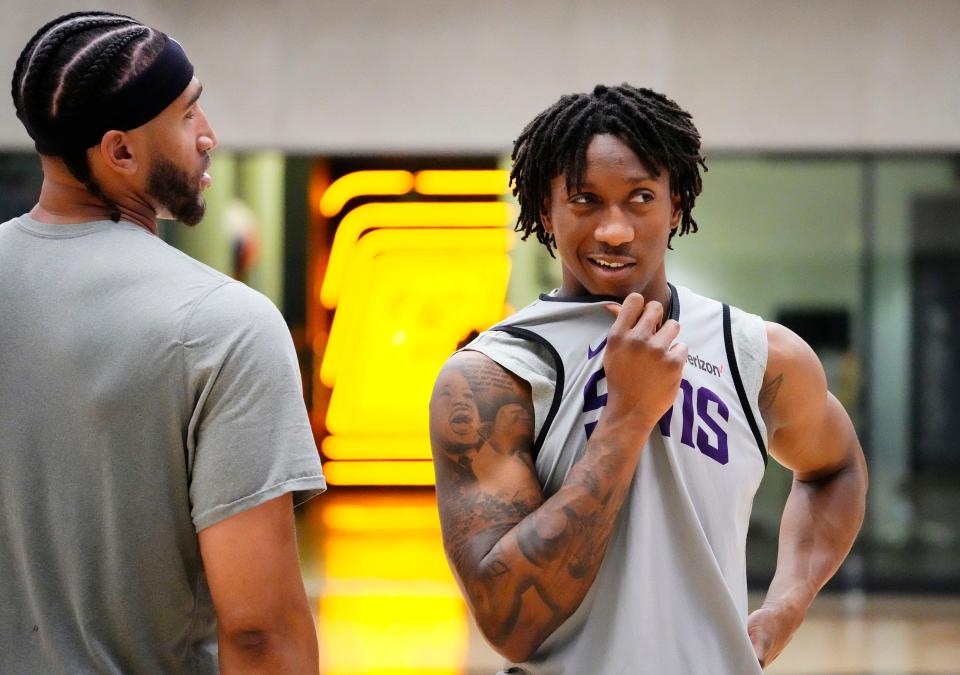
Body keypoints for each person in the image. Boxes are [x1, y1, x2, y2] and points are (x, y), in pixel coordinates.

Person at [429, 84, 868, 674]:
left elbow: (835, 468)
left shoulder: (755, 354)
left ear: (677, 205)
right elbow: (510, 621)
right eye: (584, 200)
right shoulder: (493, 375)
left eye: (639, 198)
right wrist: (628, 416)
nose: (614, 230)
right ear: (543, 211)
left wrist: (786, 606)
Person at [1, 12, 326, 673]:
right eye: (187, 115)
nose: (209, 137)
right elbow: (260, 632)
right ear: (120, 152)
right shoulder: (224, 325)